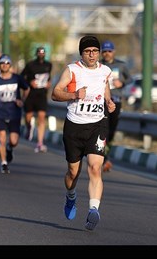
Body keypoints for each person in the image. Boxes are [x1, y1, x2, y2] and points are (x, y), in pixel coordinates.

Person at [51, 35, 116, 231]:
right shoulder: (72, 70)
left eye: (95, 51)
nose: (92, 55)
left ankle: (93, 210)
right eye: (88, 51)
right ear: (82, 53)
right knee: (73, 172)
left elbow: (104, 87)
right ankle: (71, 196)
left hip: (98, 125)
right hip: (74, 127)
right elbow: (55, 93)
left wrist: (109, 102)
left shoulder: (105, 71)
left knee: (95, 168)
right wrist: (74, 95)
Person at [0, 54, 30, 174]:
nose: (5, 65)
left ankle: (9, 148)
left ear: (10, 65)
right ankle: (3, 163)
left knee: (14, 141)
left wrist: (22, 101)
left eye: (7, 63)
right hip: (0, 113)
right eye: (2, 63)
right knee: (1, 138)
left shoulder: (16, 78)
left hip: (14, 113)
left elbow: (27, 88)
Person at [100, 40, 132, 172]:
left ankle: (105, 156)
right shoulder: (98, 65)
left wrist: (122, 82)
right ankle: (103, 159)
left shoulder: (121, 65)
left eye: (109, 51)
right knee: (103, 130)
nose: (107, 54)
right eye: (105, 51)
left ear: (114, 52)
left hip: (116, 100)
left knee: (111, 131)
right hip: (101, 101)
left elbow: (130, 79)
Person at [20, 46, 52, 153]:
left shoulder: (49, 65)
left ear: (45, 54)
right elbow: (21, 77)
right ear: (36, 54)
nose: (41, 55)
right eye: (39, 53)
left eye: (43, 53)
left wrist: (49, 83)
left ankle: (40, 142)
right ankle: (29, 127)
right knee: (28, 117)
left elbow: (49, 77)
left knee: (41, 117)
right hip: (31, 94)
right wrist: (29, 83)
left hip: (42, 94)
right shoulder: (30, 65)